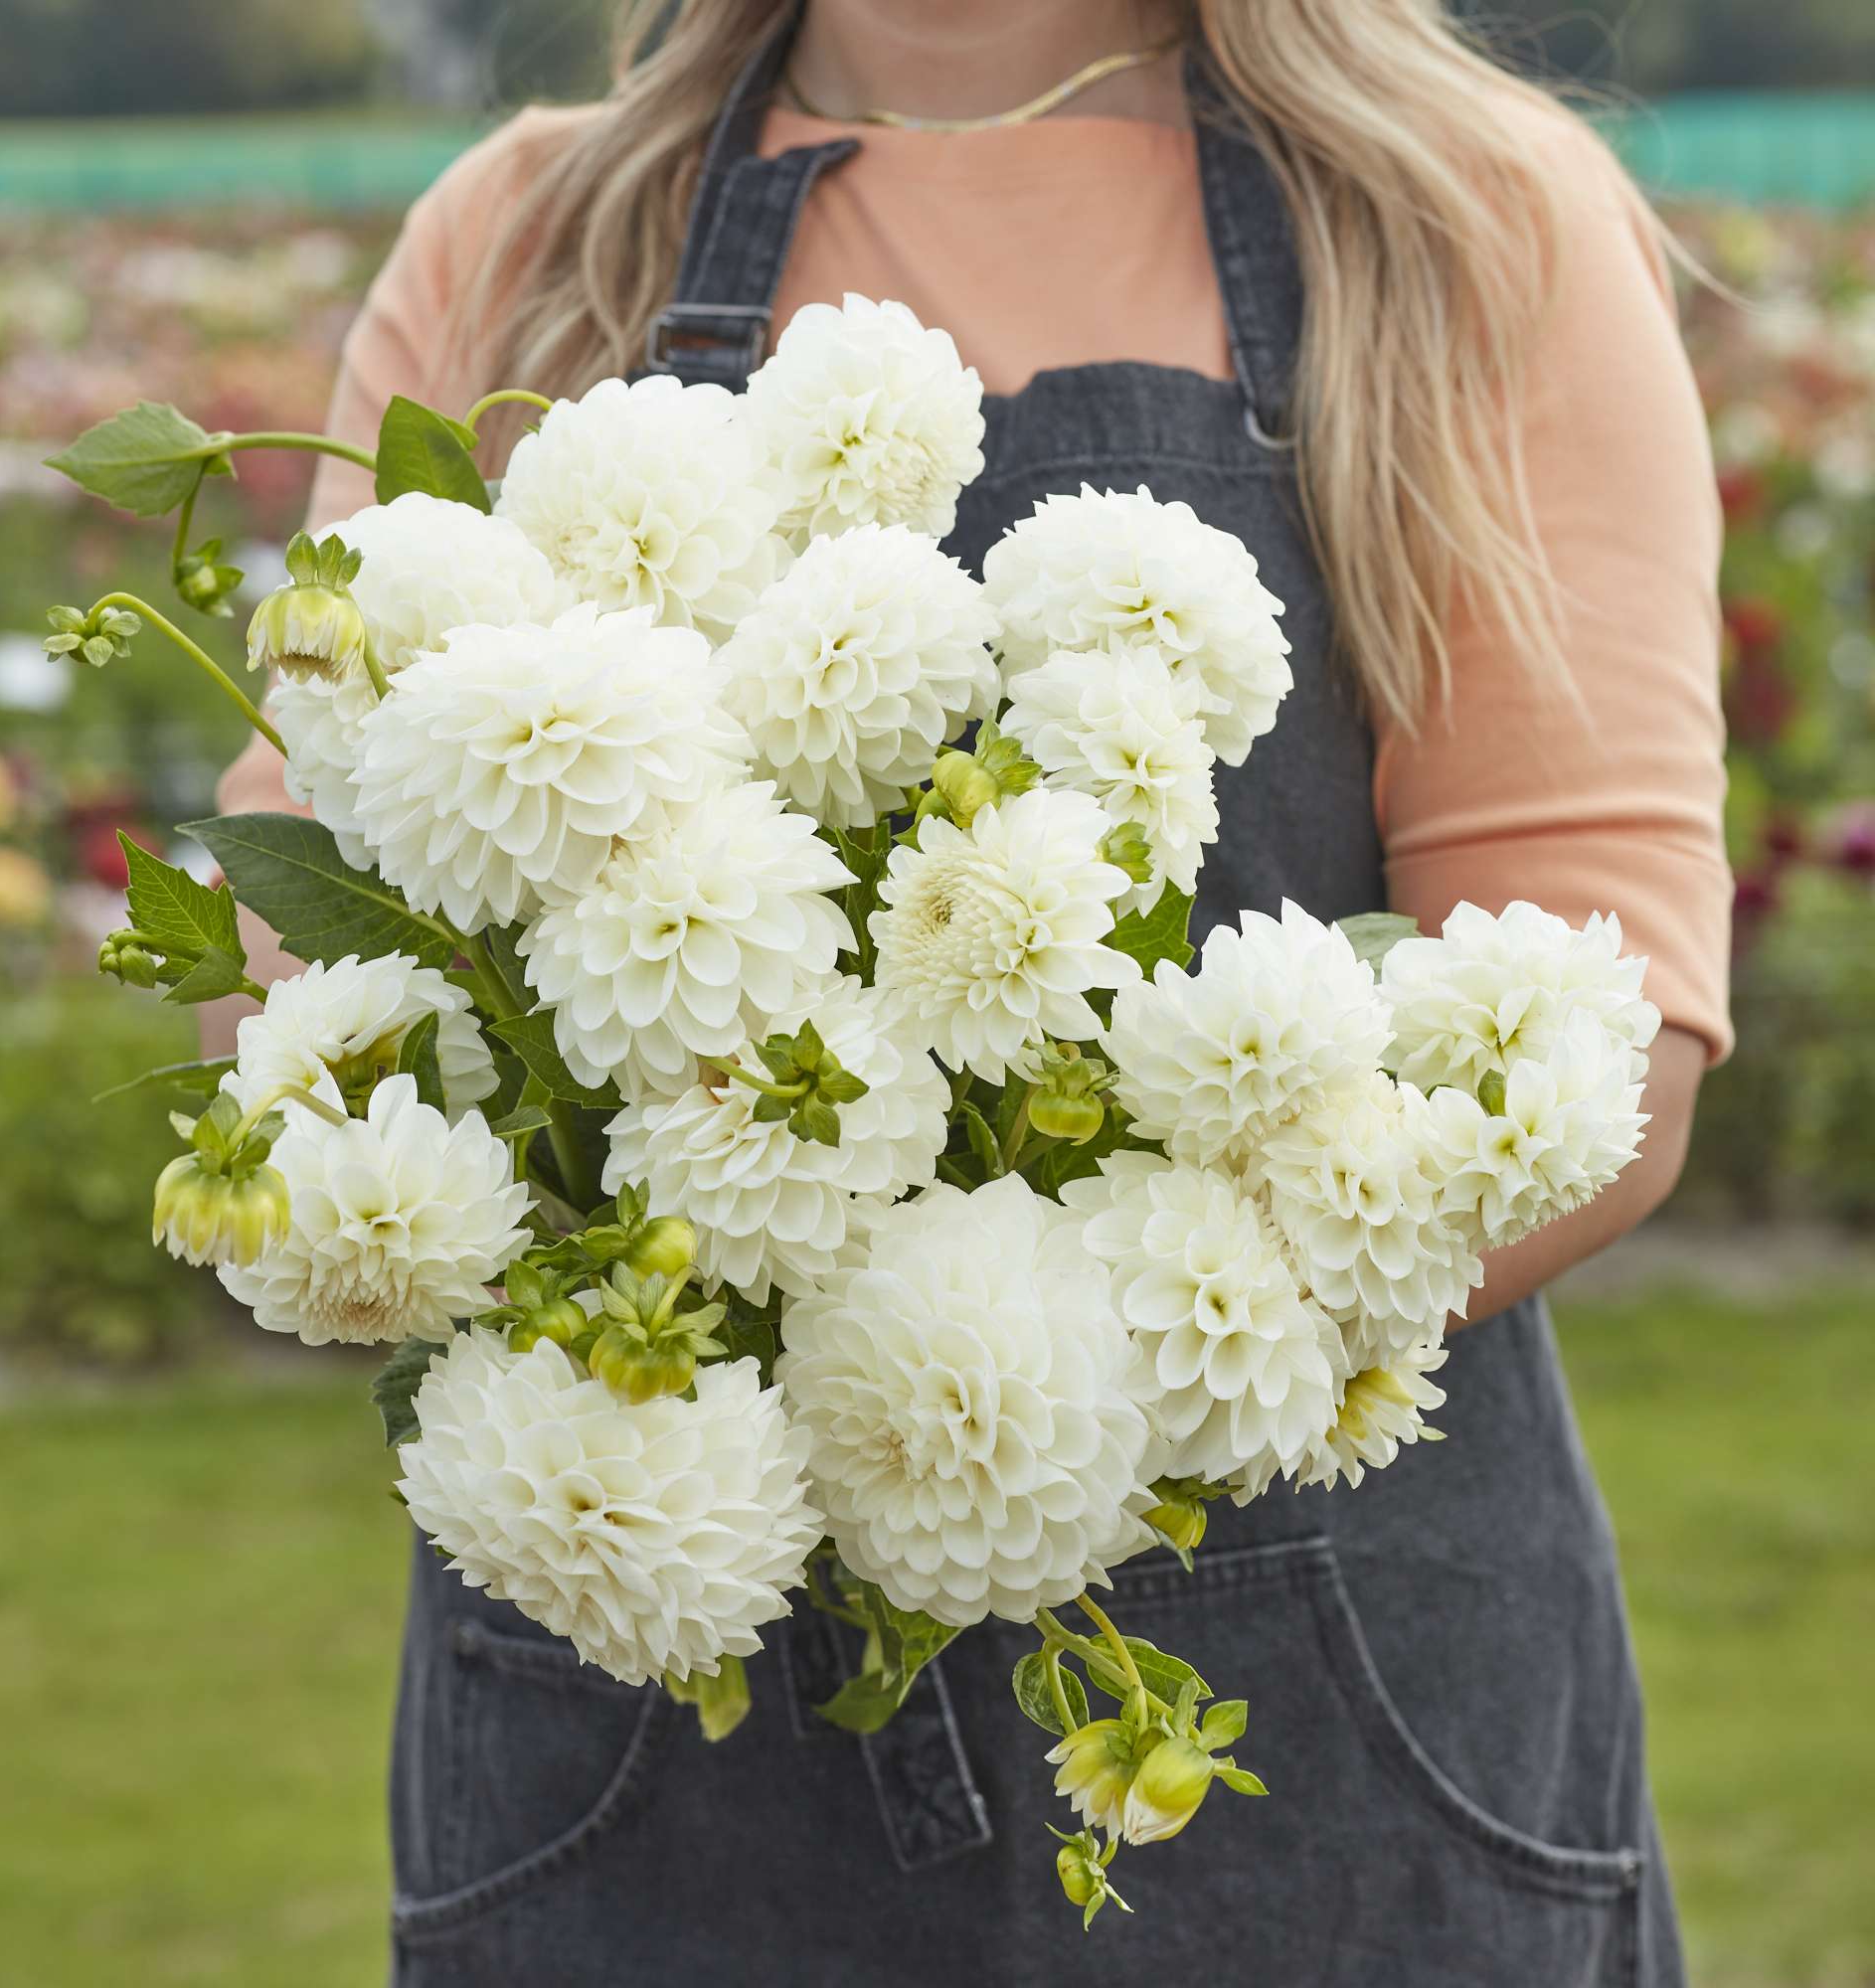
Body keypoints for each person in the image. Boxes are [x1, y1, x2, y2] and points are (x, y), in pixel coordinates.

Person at [210, 3, 1731, 1981]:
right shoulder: (532, 235)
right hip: (649, 1695)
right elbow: (309, 938)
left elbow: (1593, 1028)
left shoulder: (1450, 218)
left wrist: (1023, 1396)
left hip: (1301, 1702)